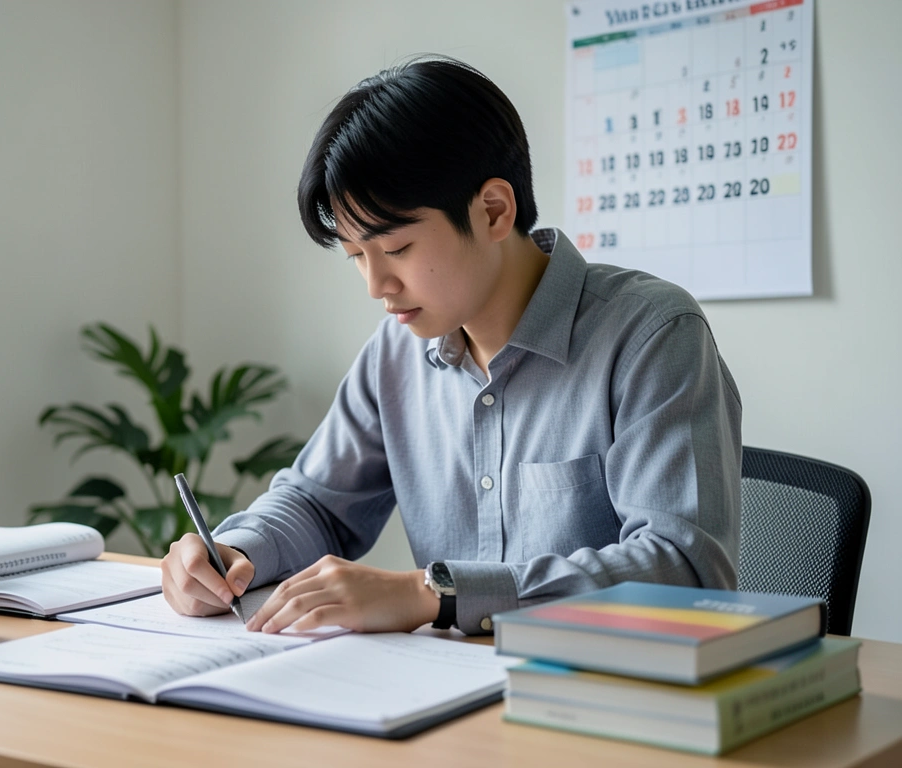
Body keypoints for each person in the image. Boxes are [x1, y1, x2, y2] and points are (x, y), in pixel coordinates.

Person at [161, 55, 742, 636]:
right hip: (441, 698)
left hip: (594, 700)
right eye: (357, 257)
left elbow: (685, 570)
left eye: (397, 249)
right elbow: (316, 501)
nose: (376, 286)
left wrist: (435, 593)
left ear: (493, 210)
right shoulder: (396, 353)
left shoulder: (651, 336)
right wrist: (236, 554)